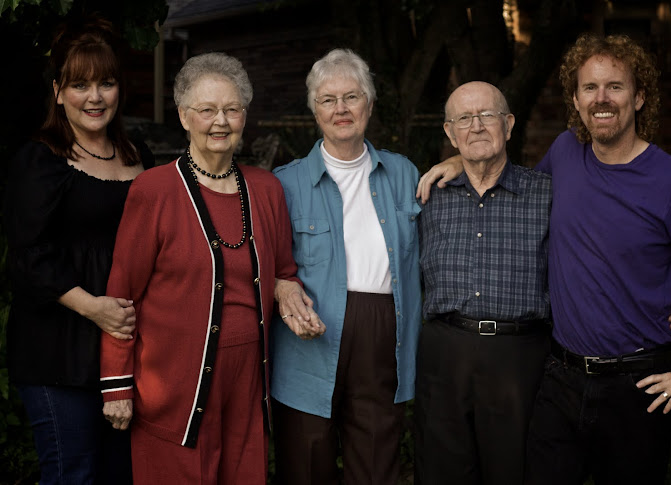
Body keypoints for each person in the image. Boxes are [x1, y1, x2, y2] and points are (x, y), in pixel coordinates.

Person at [419, 33, 671, 484]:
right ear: (577, 100)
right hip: (560, 378)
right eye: (589, 88)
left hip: (637, 384)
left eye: (615, 86)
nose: (602, 99)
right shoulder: (565, 154)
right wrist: (459, 164)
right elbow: (507, 184)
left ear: (639, 97)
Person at [99, 52, 305, 484]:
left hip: (249, 385)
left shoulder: (266, 189)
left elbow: (284, 269)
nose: (220, 121)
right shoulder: (153, 191)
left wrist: (287, 289)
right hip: (173, 387)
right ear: (183, 116)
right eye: (207, 110)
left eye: (232, 109)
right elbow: (122, 295)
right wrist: (117, 385)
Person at [4, 16, 152, 485]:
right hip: (58, 351)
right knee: (74, 474)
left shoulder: (138, 155)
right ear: (56, 91)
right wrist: (95, 309)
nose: (94, 97)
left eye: (106, 83)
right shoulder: (39, 159)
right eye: (79, 84)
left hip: (126, 350)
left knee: (121, 475)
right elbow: (27, 259)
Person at [270, 48, 421, 485]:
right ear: (314, 110)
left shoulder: (405, 174)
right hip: (308, 334)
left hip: (381, 332)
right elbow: (267, 264)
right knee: (306, 458)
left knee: (376, 459)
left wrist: (452, 162)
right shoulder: (284, 183)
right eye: (328, 99)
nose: (341, 109)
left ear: (369, 106)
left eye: (351, 97)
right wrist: (283, 287)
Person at [415, 81, 551, 485]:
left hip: (520, 356)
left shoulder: (545, 193)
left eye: (487, 115)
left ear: (508, 125)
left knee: (517, 470)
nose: (476, 126)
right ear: (450, 132)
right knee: (442, 472)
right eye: (464, 119)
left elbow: (592, 257)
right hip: (444, 352)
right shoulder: (425, 196)